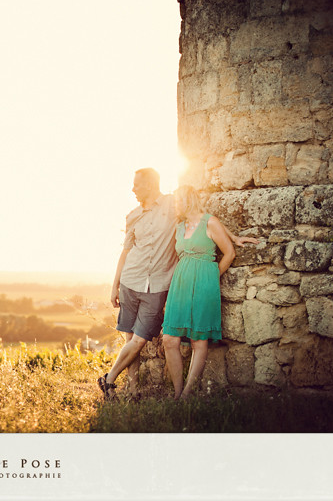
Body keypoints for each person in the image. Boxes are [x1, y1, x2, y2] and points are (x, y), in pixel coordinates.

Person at [97, 169, 255, 400]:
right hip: (150, 282)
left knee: (157, 339)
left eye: (137, 185)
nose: (133, 189)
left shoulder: (174, 205)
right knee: (146, 338)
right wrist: (115, 285)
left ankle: (113, 380)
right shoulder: (147, 218)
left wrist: (232, 239)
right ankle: (136, 390)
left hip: (170, 284)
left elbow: (208, 221)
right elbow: (126, 250)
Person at [161, 186, 234, 399]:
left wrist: (211, 278)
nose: (176, 205)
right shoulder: (179, 226)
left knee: (198, 339)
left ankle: (187, 394)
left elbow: (229, 253)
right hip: (180, 285)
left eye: (178, 200)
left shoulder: (210, 222)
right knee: (169, 339)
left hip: (205, 284)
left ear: (188, 199)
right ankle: (177, 392)